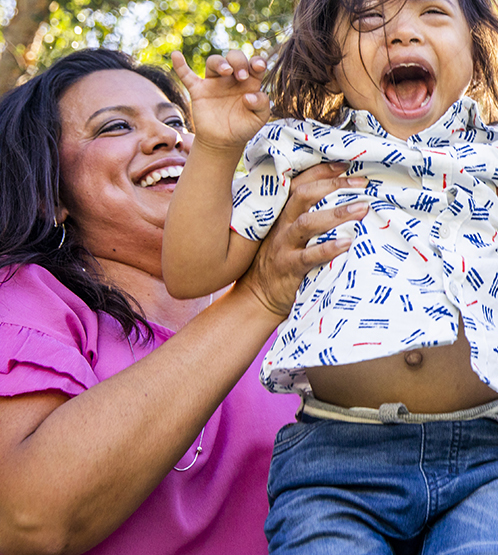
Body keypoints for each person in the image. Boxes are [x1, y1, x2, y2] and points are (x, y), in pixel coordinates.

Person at [161, 0, 498, 552]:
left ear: (475, 46)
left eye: (432, 10)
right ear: (331, 57)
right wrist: (213, 146)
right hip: (336, 461)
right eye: (370, 19)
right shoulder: (302, 153)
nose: (402, 29)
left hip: (484, 457)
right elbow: (190, 273)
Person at [0, 48, 367, 554]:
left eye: (174, 120)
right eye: (113, 127)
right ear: (50, 195)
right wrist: (258, 298)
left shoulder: (310, 303)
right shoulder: (26, 299)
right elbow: (25, 521)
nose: (166, 137)